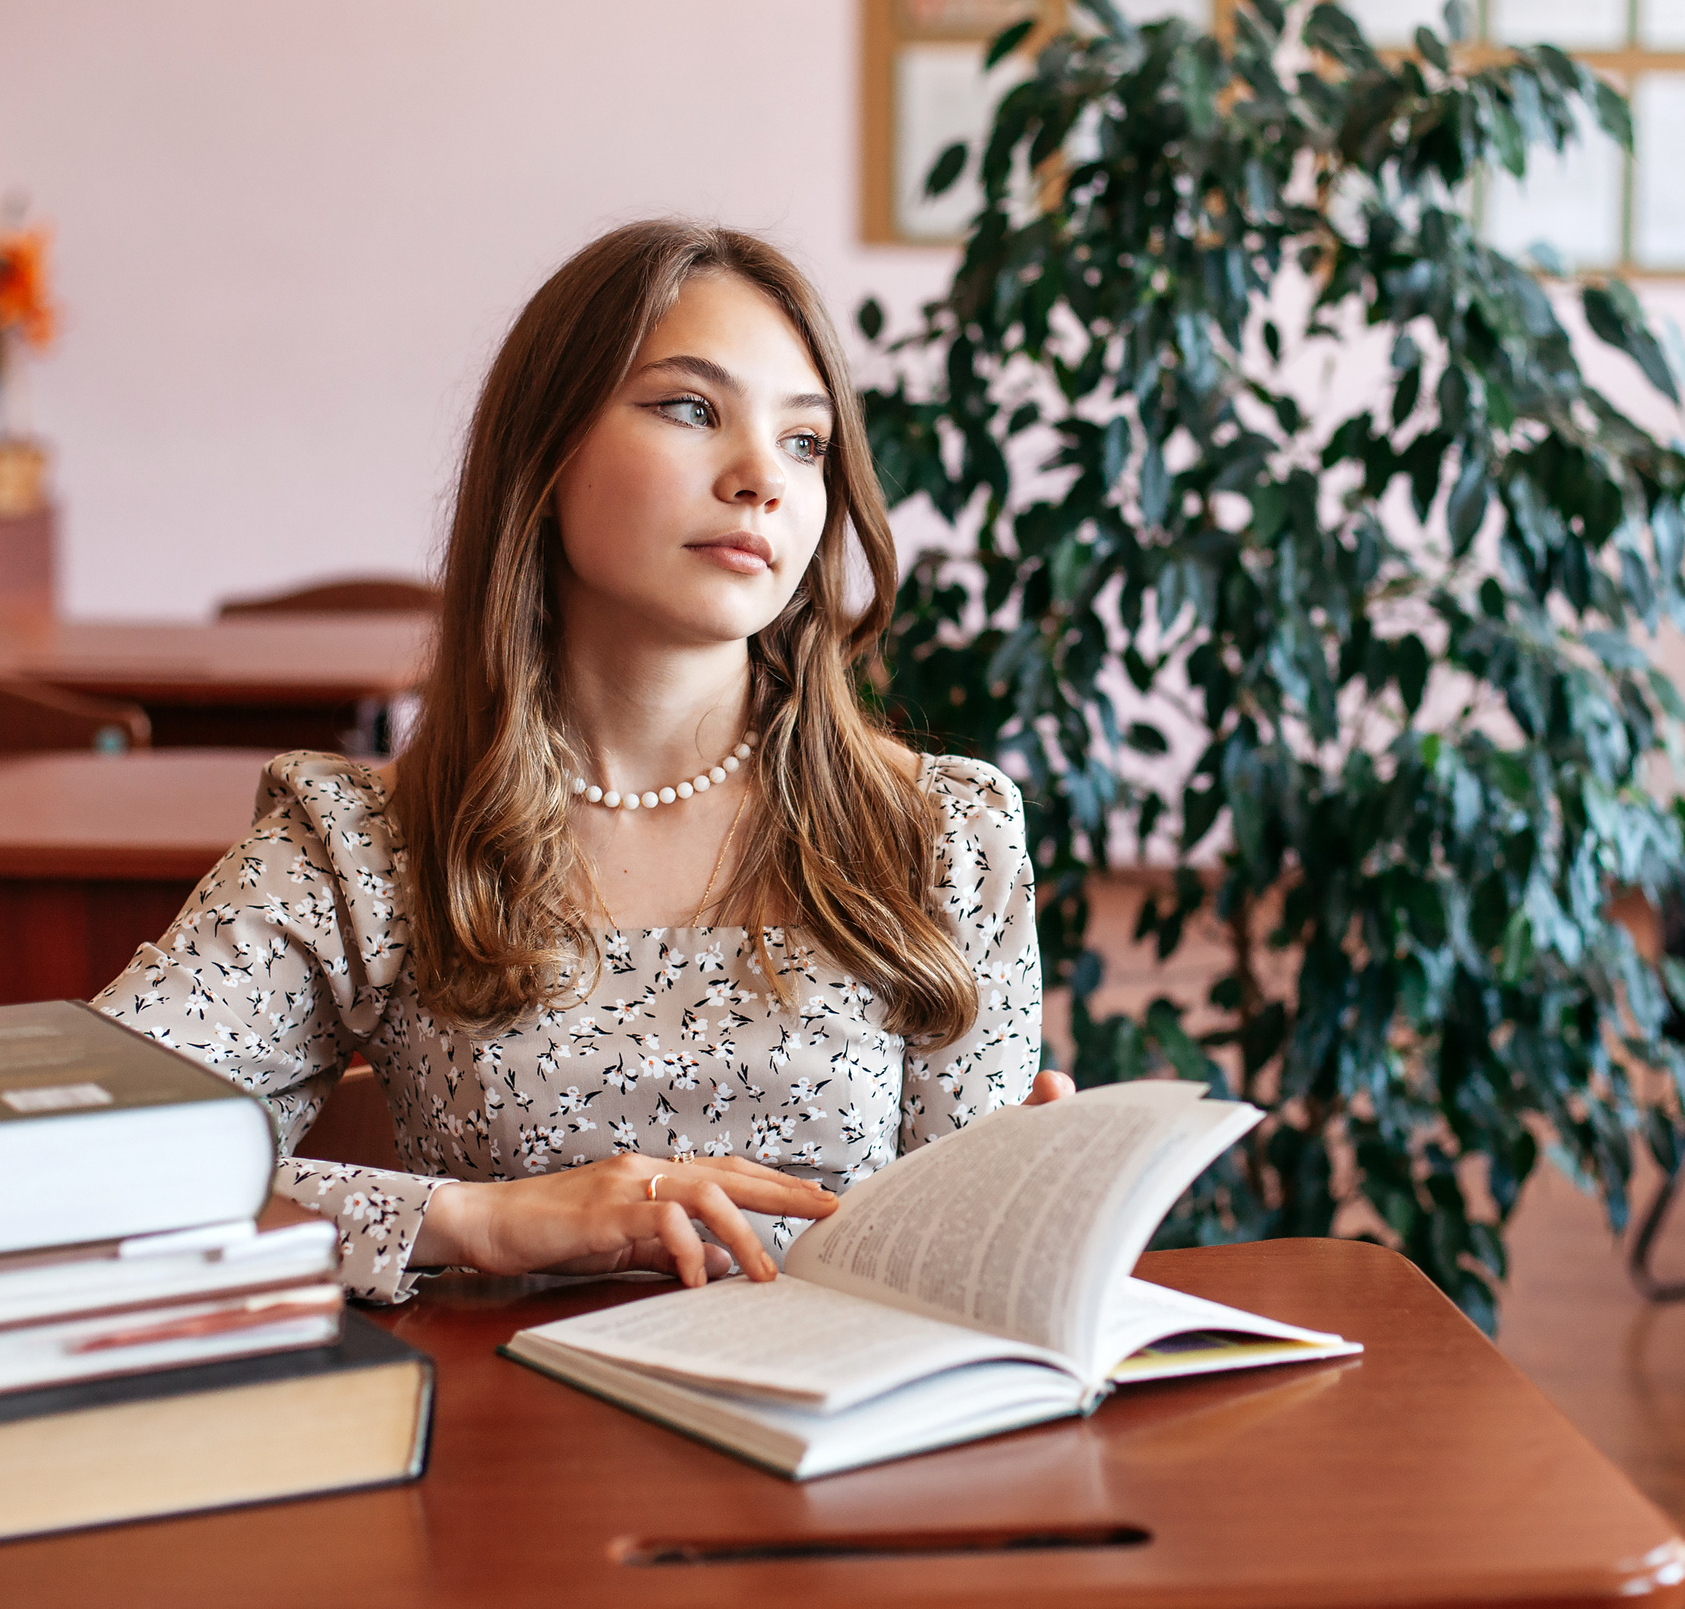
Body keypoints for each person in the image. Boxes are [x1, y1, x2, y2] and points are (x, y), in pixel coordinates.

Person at [94, 219, 1069, 1302]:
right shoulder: (361, 843)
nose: (764, 478)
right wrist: (476, 1219)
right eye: (690, 408)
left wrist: (1027, 1209)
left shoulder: (940, 831)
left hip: (848, 1450)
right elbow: (79, 1161)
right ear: (545, 457)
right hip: (509, 1444)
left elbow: (959, 1285)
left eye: (806, 442)